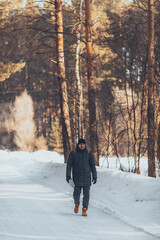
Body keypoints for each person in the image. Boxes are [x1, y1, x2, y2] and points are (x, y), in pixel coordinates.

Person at [66, 138, 97, 216]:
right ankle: (77, 203)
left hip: (87, 177)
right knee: (76, 194)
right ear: (78, 145)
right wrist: (68, 176)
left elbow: (92, 165)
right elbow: (69, 165)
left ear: (85, 145)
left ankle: (84, 209)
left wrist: (94, 176)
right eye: (80, 144)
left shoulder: (89, 153)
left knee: (86, 195)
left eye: (83, 144)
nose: (82, 145)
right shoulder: (73, 153)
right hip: (77, 177)